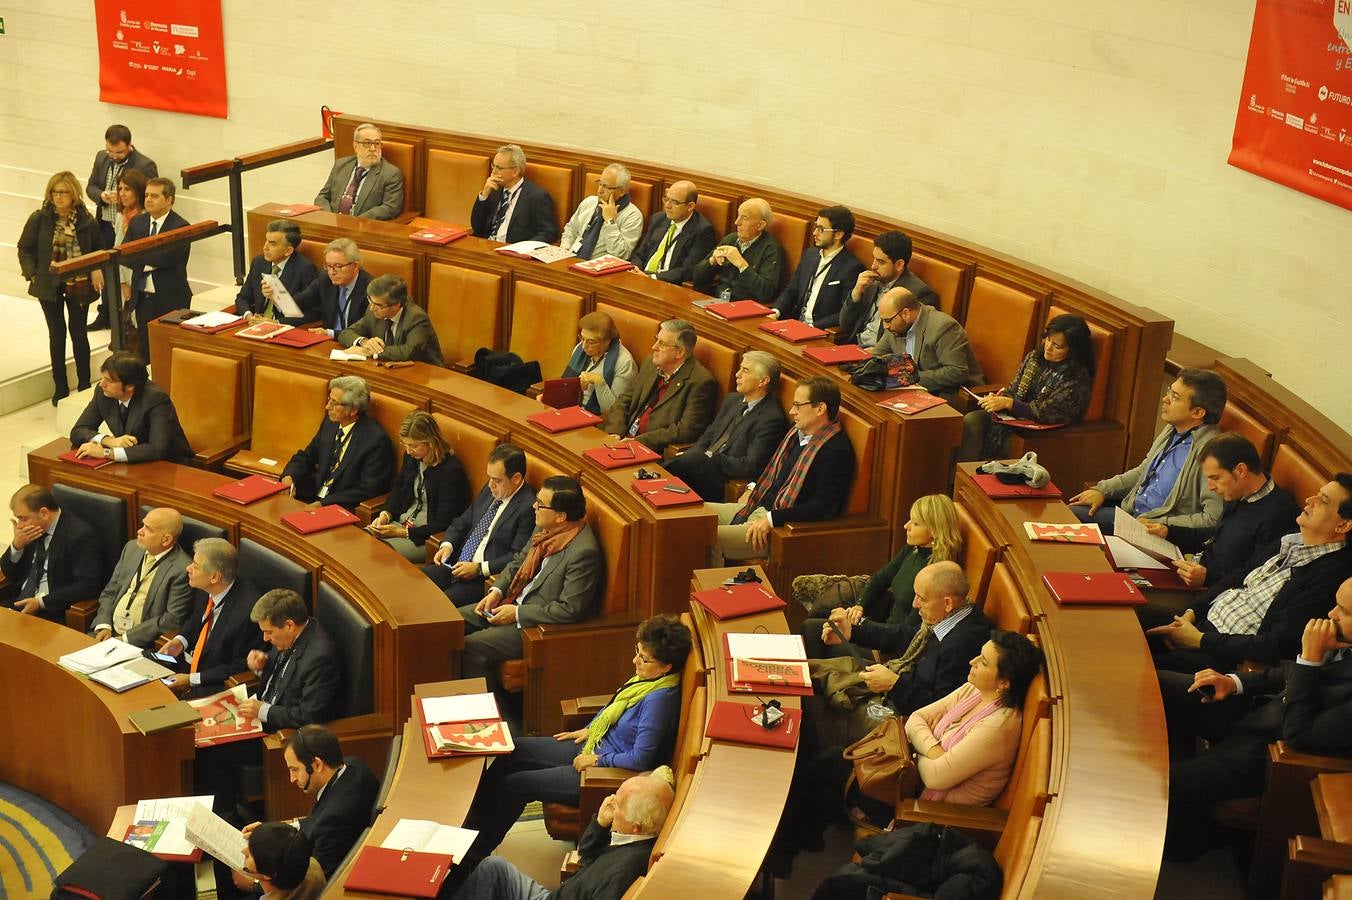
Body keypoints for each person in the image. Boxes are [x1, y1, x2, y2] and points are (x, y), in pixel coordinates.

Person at [459, 616, 691, 866]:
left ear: (666, 666)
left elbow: (641, 758)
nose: (635, 661)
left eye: (644, 658)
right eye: (637, 651)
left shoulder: (659, 701)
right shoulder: (647, 680)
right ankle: (469, 821)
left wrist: (598, 760)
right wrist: (590, 728)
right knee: (513, 749)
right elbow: (615, 706)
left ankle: (472, 855)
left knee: (516, 785)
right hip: (594, 745)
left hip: (607, 770)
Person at [1163, 578, 1352, 862]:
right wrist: (1235, 682)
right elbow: (1291, 672)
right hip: (1255, 714)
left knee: (1159, 788)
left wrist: (1311, 658)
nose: (1331, 615)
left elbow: (1301, 734)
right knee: (1158, 686)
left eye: (1345, 611)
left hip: (1264, 754)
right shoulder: (1343, 639)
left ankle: (1200, 840)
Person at [1146, 475, 1352, 672]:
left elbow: (1277, 644)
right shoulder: (1292, 540)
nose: (1309, 500)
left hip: (1224, 656)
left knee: (1138, 665)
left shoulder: (1331, 576)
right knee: (1132, 620)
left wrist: (1198, 640)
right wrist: (1191, 614)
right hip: (1202, 622)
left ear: (1343, 525)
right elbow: (1238, 576)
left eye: (1323, 501)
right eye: (1316, 493)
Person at [456, 476, 603, 687]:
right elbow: (518, 562)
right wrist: (496, 591)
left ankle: (494, 715)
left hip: (534, 624)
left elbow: (569, 609)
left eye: (540, 504)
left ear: (561, 516)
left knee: (471, 646)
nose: (534, 506)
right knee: (451, 622)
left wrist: (516, 613)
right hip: (510, 601)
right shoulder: (544, 528)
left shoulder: (583, 552)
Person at [453, 768, 677, 900]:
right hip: (560, 894)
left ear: (636, 825)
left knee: (491, 870)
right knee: (494, 867)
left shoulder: (622, 872)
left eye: (617, 804)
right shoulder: (633, 837)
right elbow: (587, 855)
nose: (609, 803)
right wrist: (600, 823)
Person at [706, 376, 854, 563]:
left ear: (820, 408)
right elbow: (771, 470)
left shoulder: (836, 451)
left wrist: (772, 519)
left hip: (780, 526)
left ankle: (710, 591)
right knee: (694, 515)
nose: (792, 411)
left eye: (798, 406)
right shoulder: (796, 433)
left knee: (708, 539)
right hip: (758, 508)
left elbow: (821, 507)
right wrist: (753, 488)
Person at [818, 562, 993, 721]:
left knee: (819, 706)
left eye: (921, 598)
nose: (915, 604)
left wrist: (894, 684)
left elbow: (941, 709)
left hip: (903, 713)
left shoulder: (962, 645)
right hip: (898, 683)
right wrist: (852, 632)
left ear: (947, 602)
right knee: (814, 673)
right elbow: (905, 635)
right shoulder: (950, 615)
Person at [798, 494, 963, 659]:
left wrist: (861, 625)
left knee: (814, 634)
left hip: (888, 648)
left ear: (934, 531)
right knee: (813, 624)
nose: (906, 526)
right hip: (880, 628)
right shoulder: (913, 549)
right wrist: (859, 607)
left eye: (915, 523)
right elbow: (880, 579)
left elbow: (906, 634)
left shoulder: (936, 576)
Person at [1067, 368, 1228, 535]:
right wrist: (1102, 490)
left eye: (1175, 397)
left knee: (1070, 519)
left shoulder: (1212, 452)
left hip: (1155, 530)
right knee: (1066, 514)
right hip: (1130, 512)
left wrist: (1163, 523)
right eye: (1169, 392)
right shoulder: (1173, 429)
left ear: (1197, 412)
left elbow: (1211, 517)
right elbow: (1143, 471)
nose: (1165, 400)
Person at [1144, 433, 1300, 590]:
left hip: (1212, 593)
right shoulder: (1239, 494)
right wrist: (1169, 532)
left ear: (1240, 470)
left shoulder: (1278, 516)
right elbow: (1215, 536)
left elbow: (1255, 577)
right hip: (1193, 568)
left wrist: (1207, 578)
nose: (1211, 487)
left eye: (1216, 478)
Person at [905, 631, 1043, 805]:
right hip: (920, 786)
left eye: (983, 662)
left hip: (944, 815)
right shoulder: (975, 690)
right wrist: (936, 751)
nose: (972, 662)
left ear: (1004, 683)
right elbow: (915, 718)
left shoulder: (997, 729)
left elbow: (935, 778)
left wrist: (919, 747)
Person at [236, 726, 379, 879]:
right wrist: (273, 833)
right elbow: (318, 820)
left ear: (317, 765)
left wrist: (256, 882)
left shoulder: (335, 819)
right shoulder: (354, 766)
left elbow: (315, 880)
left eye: (295, 769)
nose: (292, 779)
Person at [17, 170, 106, 404]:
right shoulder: (40, 218)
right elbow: (24, 248)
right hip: (49, 285)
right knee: (57, 336)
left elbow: (99, 249)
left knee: (79, 334)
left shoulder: (86, 220)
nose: (59, 196)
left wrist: (96, 268)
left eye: (64, 192)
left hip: (79, 284)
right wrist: (33, 274)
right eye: (55, 192)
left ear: (73, 193)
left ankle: (85, 384)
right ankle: (61, 387)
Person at [958, 313, 1097, 461]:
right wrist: (999, 400)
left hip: (1041, 433)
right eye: (1048, 339)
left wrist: (1010, 404)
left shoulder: (1076, 378)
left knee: (1011, 443)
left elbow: (1045, 412)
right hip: (1012, 419)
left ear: (1073, 351)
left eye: (1057, 346)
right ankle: (959, 478)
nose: (1048, 348)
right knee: (972, 420)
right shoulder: (1034, 358)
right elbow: (1014, 389)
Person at [664, 351, 788, 501]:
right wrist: (695, 454)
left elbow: (749, 466)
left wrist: (710, 457)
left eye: (745, 370)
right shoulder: (733, 400)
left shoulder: (771, 419)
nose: (737, 374)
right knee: (690, 461)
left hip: (723, 480)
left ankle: (649, 480)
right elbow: (708, 436)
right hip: (700, 466)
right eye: (740, 368)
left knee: (690, 462)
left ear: (763, 381)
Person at [423, 444, 538, 605]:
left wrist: (478, 568)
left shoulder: (528, 507)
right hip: (456, 562)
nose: (490, 484)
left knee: (437, 604)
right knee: (417, 582)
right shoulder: (490, 488)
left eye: (497, 480)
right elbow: (463, 521)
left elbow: (517, 556)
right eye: (489, 477)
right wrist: (447, 545)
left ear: (516, 478)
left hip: (482, 580)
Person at [162, 539, 266, 699]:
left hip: (214, 686)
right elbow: (196, 618)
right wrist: (180, 641)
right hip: (188, 667)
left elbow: (240, 666)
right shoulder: (207, 587)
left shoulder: (247, 613)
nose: (188, 568)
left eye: (195, 566)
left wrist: (192, 680)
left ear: (214, 577)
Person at [600, 319, 718, 453]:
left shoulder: (700, 382)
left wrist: (639, 442)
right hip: (622, 440)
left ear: (679, 352)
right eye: (656, 340)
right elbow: (624, 400)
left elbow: (687, 430)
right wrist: (615, 432)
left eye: (661, 343)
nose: (654, 347)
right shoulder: (651, 363)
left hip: (651, 450)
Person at [367, 411, 469, 562]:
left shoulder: (451, 471)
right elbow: (398, 490)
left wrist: (401, 532)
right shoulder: (411, 457)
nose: (408, 451)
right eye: (406, 445)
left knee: (378, 556)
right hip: (397, 525)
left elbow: (445, 522)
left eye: (414, 446)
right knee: (362, 542)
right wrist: (385, 515)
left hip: (423, 537)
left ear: (430, 441)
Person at [281, 375, 395, 510]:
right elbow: (307, 456)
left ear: (353, 410)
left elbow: (368, 490)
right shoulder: (330, 423)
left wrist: (323, 504)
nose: (327, 406)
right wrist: (289, 476)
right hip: (313, 496)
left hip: (341, 507)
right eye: (329, 399)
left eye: (334, 403)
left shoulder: (376, 441)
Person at [91, 507, 193, 646]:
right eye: (143, 524)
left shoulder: (182, 569)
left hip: (140, 644)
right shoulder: (131, 548)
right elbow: (110, 591)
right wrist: (104, 625)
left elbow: (171, 619)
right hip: (107, 634)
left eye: (148, 529)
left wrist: (125, 639)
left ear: (166, 539)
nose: (140, 531)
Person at [1, 485, 102, 622]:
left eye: (23, 519)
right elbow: (9, 573)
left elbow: (88, 585)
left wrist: (41, 603)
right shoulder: (30, 532)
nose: (19, 525)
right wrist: (17, 547)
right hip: (17, 602)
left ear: (44, 513)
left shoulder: (79, 535)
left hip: (52, 611)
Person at [69, 351, 194, 463]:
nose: (102, 384)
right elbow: (78, 430)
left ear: (130, 386)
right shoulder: (103, 393)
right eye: (102, 378)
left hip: (170, 466)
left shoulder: (156, 399)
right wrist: (108, 441)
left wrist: (107, 453)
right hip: (132, 465)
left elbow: (158, 449)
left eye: (109, 380)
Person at [871, 287, 984, 400]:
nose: (885, 326)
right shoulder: (895, 327)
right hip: (913, 391)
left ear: (906, 313)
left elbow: (957, 372)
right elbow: (876, 356)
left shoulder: (943, 327)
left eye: (887, 321)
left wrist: (909, 378)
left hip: (951, 395)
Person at [123, 176, 192, 358]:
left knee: (169, 350)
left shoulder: (180, 226)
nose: (148, 200)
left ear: (169, 200)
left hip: (171, 297)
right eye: (146, 195)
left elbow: (164, 259)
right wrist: (148, 261)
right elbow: (125, 254)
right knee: (146, 349)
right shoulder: (138, 222)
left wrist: (140, 257)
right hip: (142, 296)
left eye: (154, 196)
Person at [835, 230, 938, 348]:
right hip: (854, 347)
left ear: (899, 264)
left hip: (880, 356)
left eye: (881, 262)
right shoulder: (871, 282)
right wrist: (856, 294)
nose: (873, 266)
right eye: (874, 259)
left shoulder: (918, 293)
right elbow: (845, 325)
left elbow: (911, 341)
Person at [769, 205, 866, 328]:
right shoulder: (810, 255)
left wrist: (813, 327)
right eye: (816, 227)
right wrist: (776, 312)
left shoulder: (852, 268)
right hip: (794, 322)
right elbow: (792, 289)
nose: (814, 233)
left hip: (819, 329)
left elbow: (843, 313)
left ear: (839, 234)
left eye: (821, 229)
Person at [337, 274, 445, 366]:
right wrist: (365, 342)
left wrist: (369, 351)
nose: (372, 308)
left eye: (379, 305)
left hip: (425, 374)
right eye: (370, 301)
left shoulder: (416, 318)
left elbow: (409, 351)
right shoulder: (373, 311)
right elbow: (346, 333)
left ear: (396, 305)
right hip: (388, 367)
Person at [691, 198, 785, 301]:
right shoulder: (731, 239)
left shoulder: (771, 249)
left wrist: (741, 264)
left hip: (745, 308)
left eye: (744, 218)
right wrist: (712, 261)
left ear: (760, 225)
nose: (737, 222)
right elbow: (697, 278)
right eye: (738, 216)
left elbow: (765, 292)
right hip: (717, 301)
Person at [628, 179, 718, 284]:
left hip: (666, 283)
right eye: (666, 199)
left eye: (674, 202)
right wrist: (635, 270)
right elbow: (640, 254)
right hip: (640, 277)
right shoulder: (658, 219)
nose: (667, 205)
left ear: (690, 206)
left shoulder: (702, 231)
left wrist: (651, 278)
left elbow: (687, 270)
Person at [86, 124, 159, 249]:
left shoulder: (145, 165)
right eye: (109, 151)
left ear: (129, 145)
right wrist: (101, 196)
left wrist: (123, 196)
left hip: (129, 227)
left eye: (119, 152)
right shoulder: (101, 157)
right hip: (104, 224)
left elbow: (151, 199)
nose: (114, 156)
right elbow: (91, 187)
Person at [470, 144, 560, 243]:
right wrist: (484, 196)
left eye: (499, 168)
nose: (493, 172)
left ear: (515, 171)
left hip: (512, 252)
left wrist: (524, 248)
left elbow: (548, 232)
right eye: (493, 166)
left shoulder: (537, 197)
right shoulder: (493, 189)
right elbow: (477, 228)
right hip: (486, 246)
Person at [234, 220, 319, 323]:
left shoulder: (305, 269)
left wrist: (277, 322)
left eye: (272, 244)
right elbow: (242, 297)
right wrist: (248, 315)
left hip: (283, 328)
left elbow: (314, 312)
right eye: (266, 241)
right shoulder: (259, 262)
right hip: (255, 323)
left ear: (288, 251)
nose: (265, 247)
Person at [314, 123, 404, 219]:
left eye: (377, 143)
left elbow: (390, 207)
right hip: (334, 223)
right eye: (367, 143)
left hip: (362, 227)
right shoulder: (341, 165)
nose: (373, 149)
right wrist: (329, 218)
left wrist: (357, 222)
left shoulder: (390, 174)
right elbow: (322, 197)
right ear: (355, 146)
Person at [559, 163, 645, 260]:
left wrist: (610, 222)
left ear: (621, 191)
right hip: (570, 259)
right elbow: (570, 230)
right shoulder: (589, 202)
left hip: (599, 269)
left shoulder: (632, 216)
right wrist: (565, 251)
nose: (600, 191)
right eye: (600, 184)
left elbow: (621, 255)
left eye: (606, 187)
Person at [559, 311, 637, 415]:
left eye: (591, 342)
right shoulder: (580, 349)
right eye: (582, 338)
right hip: (569, 410)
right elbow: (564, 386)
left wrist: (599, 382)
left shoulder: (624, 363)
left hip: (596, 420)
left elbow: (614, 412)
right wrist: (551, 398)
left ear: (607, 341)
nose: (583, 346)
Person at [294, 238, 372, 337]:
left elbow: (366, 330)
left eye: (338, 266)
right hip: (326, 341)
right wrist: (276, 294)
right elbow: (300, 302)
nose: (331, 272)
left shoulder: (369, 288)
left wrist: (330, 333)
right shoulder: (325, 279)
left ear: (355, 266)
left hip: (354, 344)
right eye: (328, 266)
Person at [236, 823, 326, 899]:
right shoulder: (311, 866)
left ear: (267, 875)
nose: (243, 851)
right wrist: (267, 835)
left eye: (250, 854)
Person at [110, 169, 147, 353]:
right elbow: (117, 249)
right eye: (120, 189)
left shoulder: (144, 218)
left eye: (127, 189)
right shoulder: (120, 216)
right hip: (125, 275)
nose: (122, 194)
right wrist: (123, 282)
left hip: (139, 275)